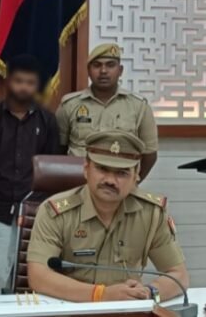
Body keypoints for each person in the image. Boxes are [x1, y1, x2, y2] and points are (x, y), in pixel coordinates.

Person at [27, 130, 189, 303]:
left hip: (127, 309)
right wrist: (101, 294)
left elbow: (178, 275)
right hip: (72, 307)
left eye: (122, 173)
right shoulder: (55, 212)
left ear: (136, 175)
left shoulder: (151, 213)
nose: (110, 180)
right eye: (102, 169)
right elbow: (38, 276)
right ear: (86, 169)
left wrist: (149, 293)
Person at [0, 54, 60, 294]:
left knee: (32, 279)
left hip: (36, 215)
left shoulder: (48, 121)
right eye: (18, 81)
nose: (23, 87)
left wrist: (33, 202)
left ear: (37, 86)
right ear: (8, 82)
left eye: (30, 82)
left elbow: (51, 167)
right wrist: (0, 195)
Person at [56, 43, 158, 179]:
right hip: (79, 182)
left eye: (110, 65)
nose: (103, 71)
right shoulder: (69, 105)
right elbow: (58, 150)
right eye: (97, 65)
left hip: (120, 182)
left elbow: (149, 154)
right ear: (88, 70)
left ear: (120, 70)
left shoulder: (139, 106)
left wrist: (132, 182)